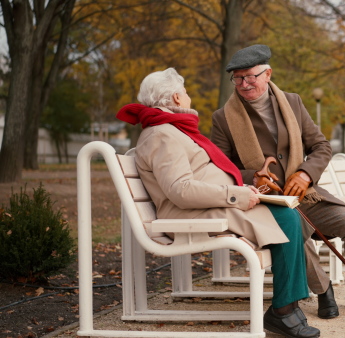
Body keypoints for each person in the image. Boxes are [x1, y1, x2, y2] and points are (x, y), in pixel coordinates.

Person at [116, 68, 320, 338]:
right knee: (285, 219)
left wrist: (241, 189)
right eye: (186, 92)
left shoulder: (171, 130)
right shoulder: (162, 135)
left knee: (286, 214)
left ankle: (287, 308)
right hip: (189, 213)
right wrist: (234, 195)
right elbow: (180, 190)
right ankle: (284, 311)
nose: (188, 97)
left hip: (209, 205)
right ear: (177, 98)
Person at [211, 44, 345, 320]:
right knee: (297, 231)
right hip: (266, 202)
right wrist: (253, 176)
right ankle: (323, 291)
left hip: (305, 195)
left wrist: (305, 173)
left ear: (268, 74)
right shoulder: (223, 118)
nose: (244, 84)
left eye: (251, 77)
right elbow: (220, 167)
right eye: (238, 78)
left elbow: (321, 146)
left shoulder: (292, 102)